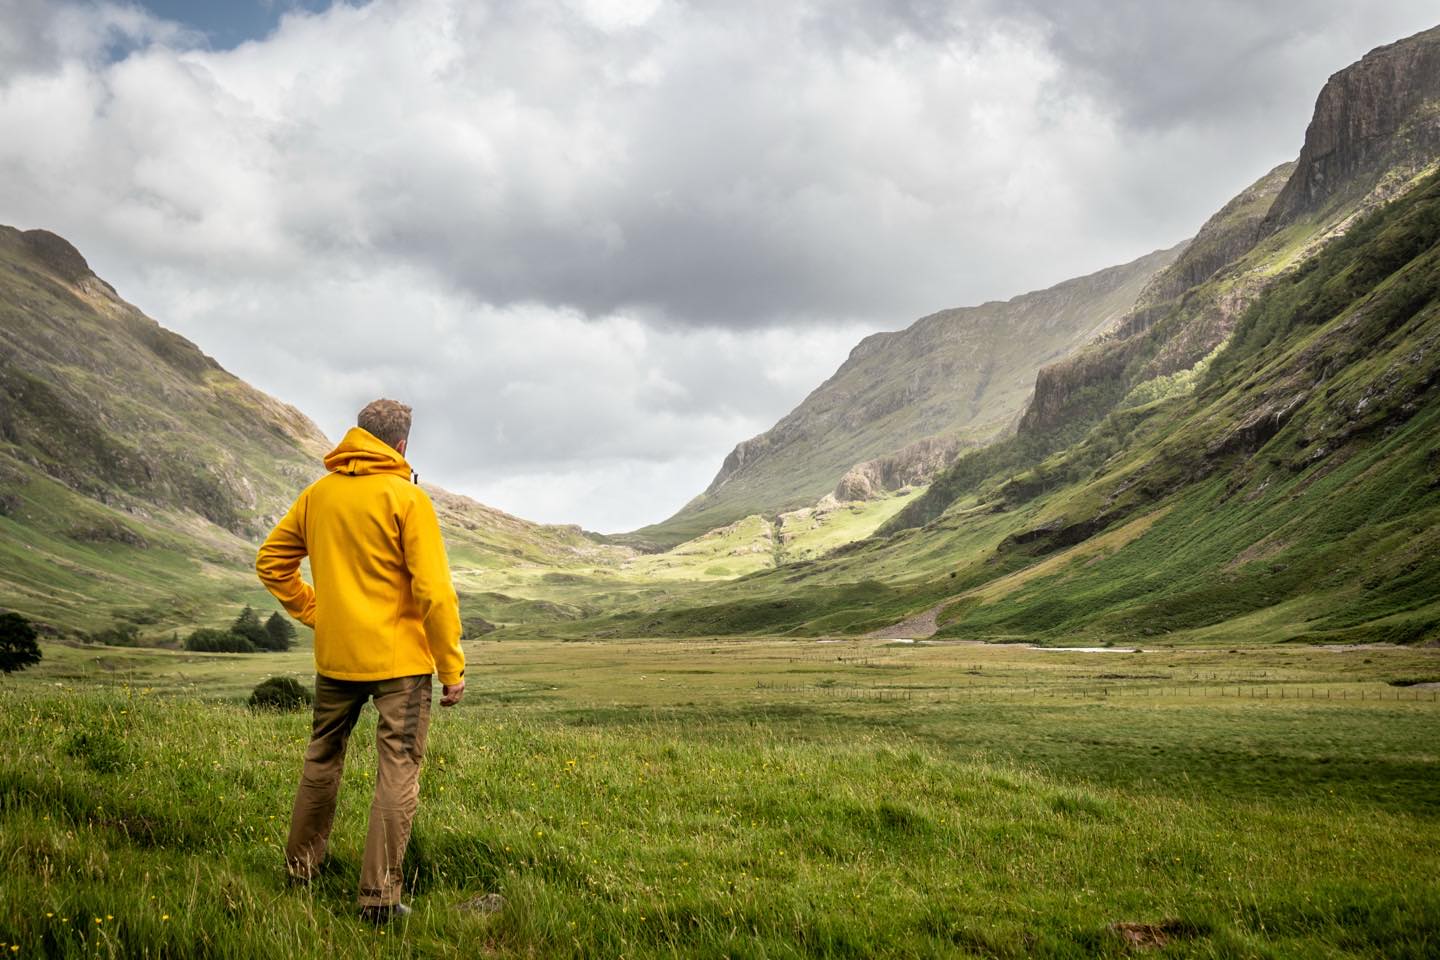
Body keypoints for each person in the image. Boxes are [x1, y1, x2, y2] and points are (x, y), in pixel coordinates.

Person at [256, 398, 466, 923]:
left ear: (357, 435)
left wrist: (318, 613)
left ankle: (300, 869)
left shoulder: (317, 495)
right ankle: (379, 899)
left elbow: (271, 562)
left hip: (336, 658)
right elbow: (435, 593)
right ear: (401, 445)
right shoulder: (406, 498)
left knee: (322, 758)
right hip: (400, 665)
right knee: (398, 770)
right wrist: (451, 668)